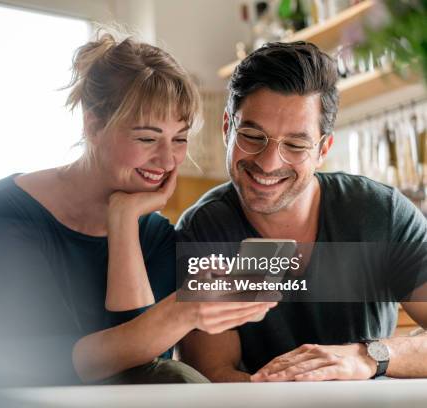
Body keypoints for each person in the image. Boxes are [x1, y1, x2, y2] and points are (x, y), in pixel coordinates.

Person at [0, 29, 276, 387]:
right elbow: (43, 364)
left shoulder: (155, 236)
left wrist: (122, 221)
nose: (168, 159)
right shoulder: (0, 213)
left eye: (179, 139)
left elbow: (139, 371)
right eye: (147, 138)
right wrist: (180, 313)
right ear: (93, 126)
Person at [177, 41, 427, 382]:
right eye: (252, 136)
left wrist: (367, 355)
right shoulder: (207, 231)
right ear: (227, 129)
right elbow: (216, 377)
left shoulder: (379, 214)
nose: (268, 163)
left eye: (295, 145)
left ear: (323, 149)